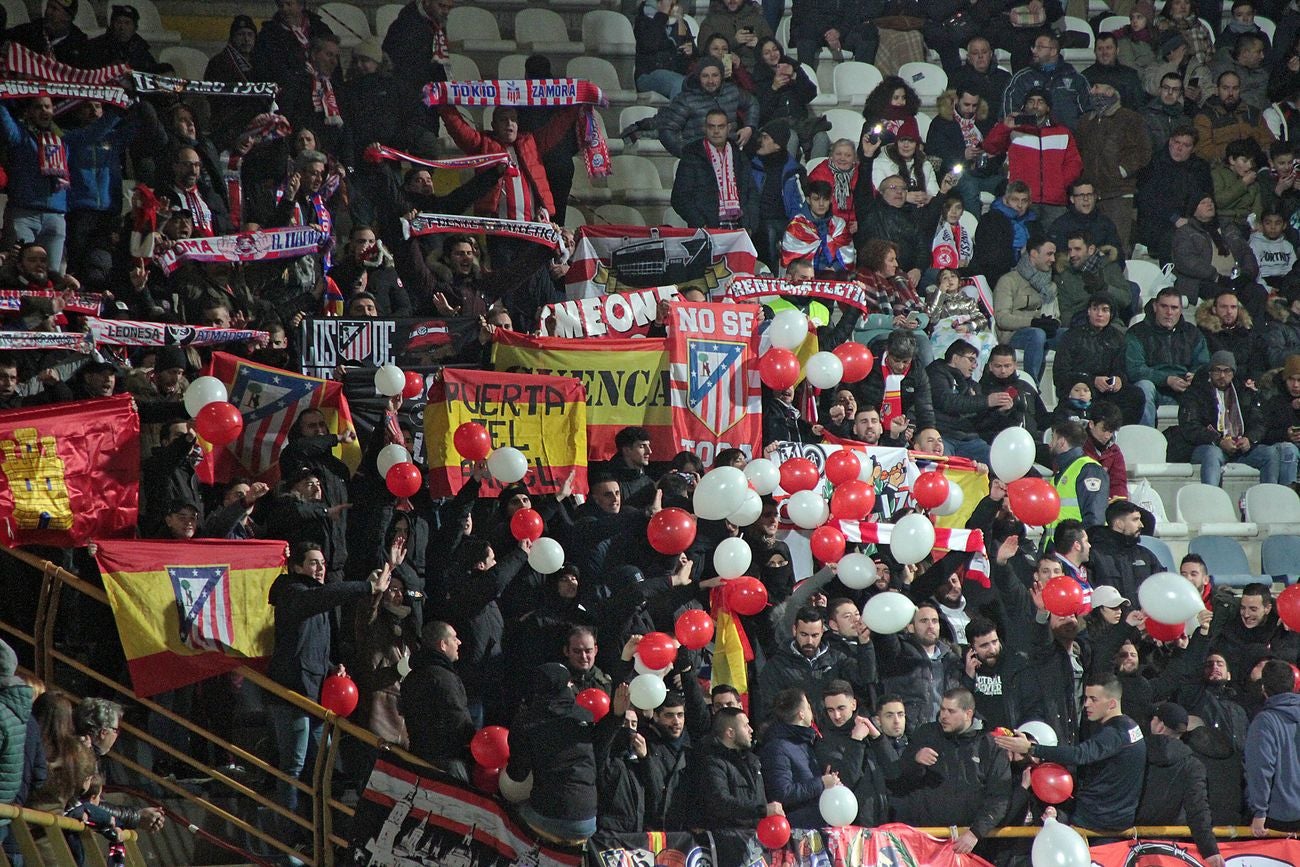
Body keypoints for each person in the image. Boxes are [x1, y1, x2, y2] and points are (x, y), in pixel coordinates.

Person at [267, 543, 382, 840]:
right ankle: (286, 836)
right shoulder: (292, 592)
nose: (320, 569)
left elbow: (310, 646)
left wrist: (332, 667)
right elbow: (322, 598)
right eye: (313, 563)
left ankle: (316, 831)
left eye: (322, 563)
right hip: (293, 695)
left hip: (316, 695)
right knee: (293, 765)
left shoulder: (315, 598)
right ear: (296, 567)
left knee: (324, 763)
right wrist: (366, 586)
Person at [996, 674, 1147, 832]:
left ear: (1112, 704)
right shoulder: (1130, 727)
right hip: (1115, 816)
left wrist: (1031, 748)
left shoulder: (1114, 734)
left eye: (1093, 699)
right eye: (1086, 698)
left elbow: (1079, 755)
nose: (1086, 704)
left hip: (1099, 821)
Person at [890, 688, 1011, 855]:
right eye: (942, 709)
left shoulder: (989, 746)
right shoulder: (926, 734)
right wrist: (915, 760)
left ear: (968, 714)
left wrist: (975, 833)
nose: (943, 716)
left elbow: (999, 796)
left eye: (951, 711)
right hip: (927, 840)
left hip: (969, 845)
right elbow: (900, 777)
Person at [1167, 349, 1299, 486]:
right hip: (1206, 446)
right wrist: (1218, 440)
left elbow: (1259, 421)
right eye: (1217, 370)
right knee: (1213, 453)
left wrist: (1249, 438)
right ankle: (1212, 500)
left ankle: (1267, 498)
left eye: (1227, 371)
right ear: (1210, 372)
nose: (1222, 375)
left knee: (1270, 454)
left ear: (1233, 373)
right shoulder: (1195, 393)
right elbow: (1190, 426)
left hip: (1238, 447)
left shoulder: (1244, 393)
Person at [505, 663, 598, 841]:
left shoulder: (525, 721)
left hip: (549, 813)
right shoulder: (585, 716)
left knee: (512, 816)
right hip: (588, 816)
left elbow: (517, 775)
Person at [1138, 702, 1225, 867]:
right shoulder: (1192, 765)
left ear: (1160, 726)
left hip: (1129, 843)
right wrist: (1210, 851)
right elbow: (1198, 809)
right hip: (1170, 847)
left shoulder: (1136, 755)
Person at [983, 88, 1084, 224]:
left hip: (1055, 202)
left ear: (1048, 107)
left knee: (1054, 243)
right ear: (1025, 106)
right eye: (1031, 101)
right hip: (1023, 200)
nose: (1035, 105)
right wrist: (1005, 127)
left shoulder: (1062, 132)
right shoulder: (1015, 130)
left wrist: (1059, 185)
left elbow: (1074, 164)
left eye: (1040, 102)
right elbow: (990, 147)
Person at [1075, 83, 1152, 251]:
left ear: (1111, 92)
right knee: (1090, 245)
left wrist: (1121, 171)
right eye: (1092, 90)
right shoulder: (1085, 121)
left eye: (1098, 87)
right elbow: (1078, 152)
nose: (1093, 91)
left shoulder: (1131, 118)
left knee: (1117, 244)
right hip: (1092, 193)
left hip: (1119, 192)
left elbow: (1143, 151)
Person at [1054, 296, 1148, 425]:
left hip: (1107, 393)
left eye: (1105, 310)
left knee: (1135, 395)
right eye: (1095, 309)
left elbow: (1121, 369)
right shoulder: (1071, 337)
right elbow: (1060, 374)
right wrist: (1092, 381)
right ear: (1088, 311)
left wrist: (1119, 379)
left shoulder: (1118, 338)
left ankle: (1117, 434)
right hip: (1079, 390)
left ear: (1111, 314)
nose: (1099, 314)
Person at [1126, 287, 1211, 427]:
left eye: (1174, 307)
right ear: (1155, 306)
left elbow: (1204, 365)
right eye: (1164, 306)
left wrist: (1195, 376)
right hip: (1155, 389)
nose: (1169, 312)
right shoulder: (1137, 333)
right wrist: (1166, 379)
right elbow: (1135, 369)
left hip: (1186, 388)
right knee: (1143, 387)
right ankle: (1145, 439)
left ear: (1181, 310)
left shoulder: (1193, 333)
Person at [874, 601, 963, 731]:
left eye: (934, 621)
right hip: (912, 732)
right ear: (910, 627)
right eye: (924, 621)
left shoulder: (951, 658)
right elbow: (887, 638)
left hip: (946, 732)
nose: (930, 626)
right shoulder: (899, 653)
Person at [758, 689, 840, 827]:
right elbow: (782, 793)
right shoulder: (777, 747)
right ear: (801, 714)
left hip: (816, 826)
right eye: (808, 706)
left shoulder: (805, 742)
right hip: (797, 832)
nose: (811, 711)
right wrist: (821, 783)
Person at [1135, 124, 1214, 263]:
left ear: (1193, 148)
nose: (1179, 148)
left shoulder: (1199, 168)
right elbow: (1147, 199)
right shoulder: (1154, 164)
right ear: (1170, 141)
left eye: (1186, 145)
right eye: (1177, 142)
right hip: (1159, 223)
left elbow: (1205, 197)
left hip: (1191, 221)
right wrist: (1174, 218)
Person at [672, 108, 758, 231]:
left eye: (721, 127)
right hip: (707, 230)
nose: (716, 131)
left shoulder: (739, 156)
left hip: (740, 228)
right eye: (711, 127)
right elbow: (679, 197)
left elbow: (751, 192)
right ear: (704, 128)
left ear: (728, 128)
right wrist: (701, 224)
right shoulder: (692, 156)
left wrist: (750, 225)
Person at [696, 706, 782, 827]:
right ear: (730, 733)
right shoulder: (713, 763)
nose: (751, 730)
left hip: (756, 837)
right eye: (745, 725)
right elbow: (720, 802)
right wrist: (762, 810)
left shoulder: (753, 761)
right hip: (729, 838)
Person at [657, 57, 759, 157]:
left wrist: (749, 127)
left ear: (721, 76)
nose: (710, 80)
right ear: (698, 77)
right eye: (705, 76)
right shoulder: (686, 99)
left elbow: (752, 103)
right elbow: (666, 130)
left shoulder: (732, 91)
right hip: (699, 160)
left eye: (715, 75)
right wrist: (686, 154)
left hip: (729, 155)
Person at [992, 235, 1059, 383]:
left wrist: (1053, 323)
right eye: (1049, 254)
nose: (1053, 259)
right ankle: (1030, 386)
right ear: (1034, 254)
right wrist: (1033, 322)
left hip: (1039, 330)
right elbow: (1002, 318)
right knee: (1037, 335)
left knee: (1067, 335)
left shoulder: (1049, 286)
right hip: (1011, 334)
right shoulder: (1009, 281)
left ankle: (1071, 387)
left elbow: (1055, 314)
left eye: (1054, 254)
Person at [1245, 659, 1300, 835]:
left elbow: (1260, 767)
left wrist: (1259, 811)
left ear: (1264, 689)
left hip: (1280, 817)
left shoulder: (1265, 721)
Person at [927, 340, 999, 463]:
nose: (974, 366)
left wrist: (1000, 411)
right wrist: (986, 401)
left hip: (970, 439)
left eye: (976, 362)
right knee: (941, 465)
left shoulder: (974, 386)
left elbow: (980, 420)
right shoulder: (936, 374)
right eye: (971, 360)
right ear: (955, 358)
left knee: (998, 462)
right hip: (943, 436)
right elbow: (948, 402)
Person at [1002, 33, 1093, 130]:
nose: (1034, 50)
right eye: (1034, 46)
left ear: (1053, 51)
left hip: (1068, 140)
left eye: (1039, 47)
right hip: (1030, 139)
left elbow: (1089, 113)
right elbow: (1010, 114)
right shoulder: (1022, 78)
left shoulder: (1076, 79)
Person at [1086, 501, 1163, 603]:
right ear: (1119, 524)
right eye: (1135, 520)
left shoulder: (1146, 555)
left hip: (1143, 617)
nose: (1141, 525)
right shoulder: (1094, 556)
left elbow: (1162, 587)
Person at [1055, 230, 1135, 326]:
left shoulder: (1109, 268)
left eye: (1077, 249)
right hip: (1080, 325)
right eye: (1069, 250)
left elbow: (1126, 299)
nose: (1072, 254)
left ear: (1091, 250)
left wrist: (1105, 288)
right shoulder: (1064, 276)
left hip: (1110, 324)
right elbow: (1065, 312)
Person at [1192, 70, 1275, 164]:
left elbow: (1269, 144)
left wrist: (1257, 154)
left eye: (1235, 88)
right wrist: (1234, 151)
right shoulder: (1204, 117)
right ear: (1217, 90)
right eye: (1225, 88)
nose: (1230, 93)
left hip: (1254, 167)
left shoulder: (1254, 113)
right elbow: (1203, 152)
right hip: (1221, 170)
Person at [1047, 422, 1110, 535]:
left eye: (1053, 439)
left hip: (1077, 549)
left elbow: (1095, 519)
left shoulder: (1088, 469)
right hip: (1061, 548)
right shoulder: (1060, 474)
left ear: (1062, 442)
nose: (1050, 444)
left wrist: (1083, 549)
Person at [971, 181, 1038, 283]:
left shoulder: (1033, 222)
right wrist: (1019, 254)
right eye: (1015, 200)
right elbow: (990, 256)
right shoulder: (990, 220)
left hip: (1031, 273)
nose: (1020, 205)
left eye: (1024, 201)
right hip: (998, 274)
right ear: (1006, 200)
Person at [634, 0, 695, 99]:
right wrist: (662, 14)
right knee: (680, 84)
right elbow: (650, 45)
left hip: (678, 73)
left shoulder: (681, 23)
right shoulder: (643, 20)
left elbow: (691, 51)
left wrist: (691, 51)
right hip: (649, 73)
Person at [1083, 32, 1146, 111]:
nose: (1104, 53)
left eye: (1109, 48)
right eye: (1100, 49)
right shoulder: (1085, 77)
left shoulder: (1130, 75)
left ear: (1117, 51)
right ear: (1095, 52)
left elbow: (1140, 107)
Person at [1143, 72, 1193, 153]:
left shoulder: (1186, 121)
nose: (1170, 92)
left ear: (1180, 94)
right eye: (1166, 88)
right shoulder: (1145, 116)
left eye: (1175, 89)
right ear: (1160, 90)